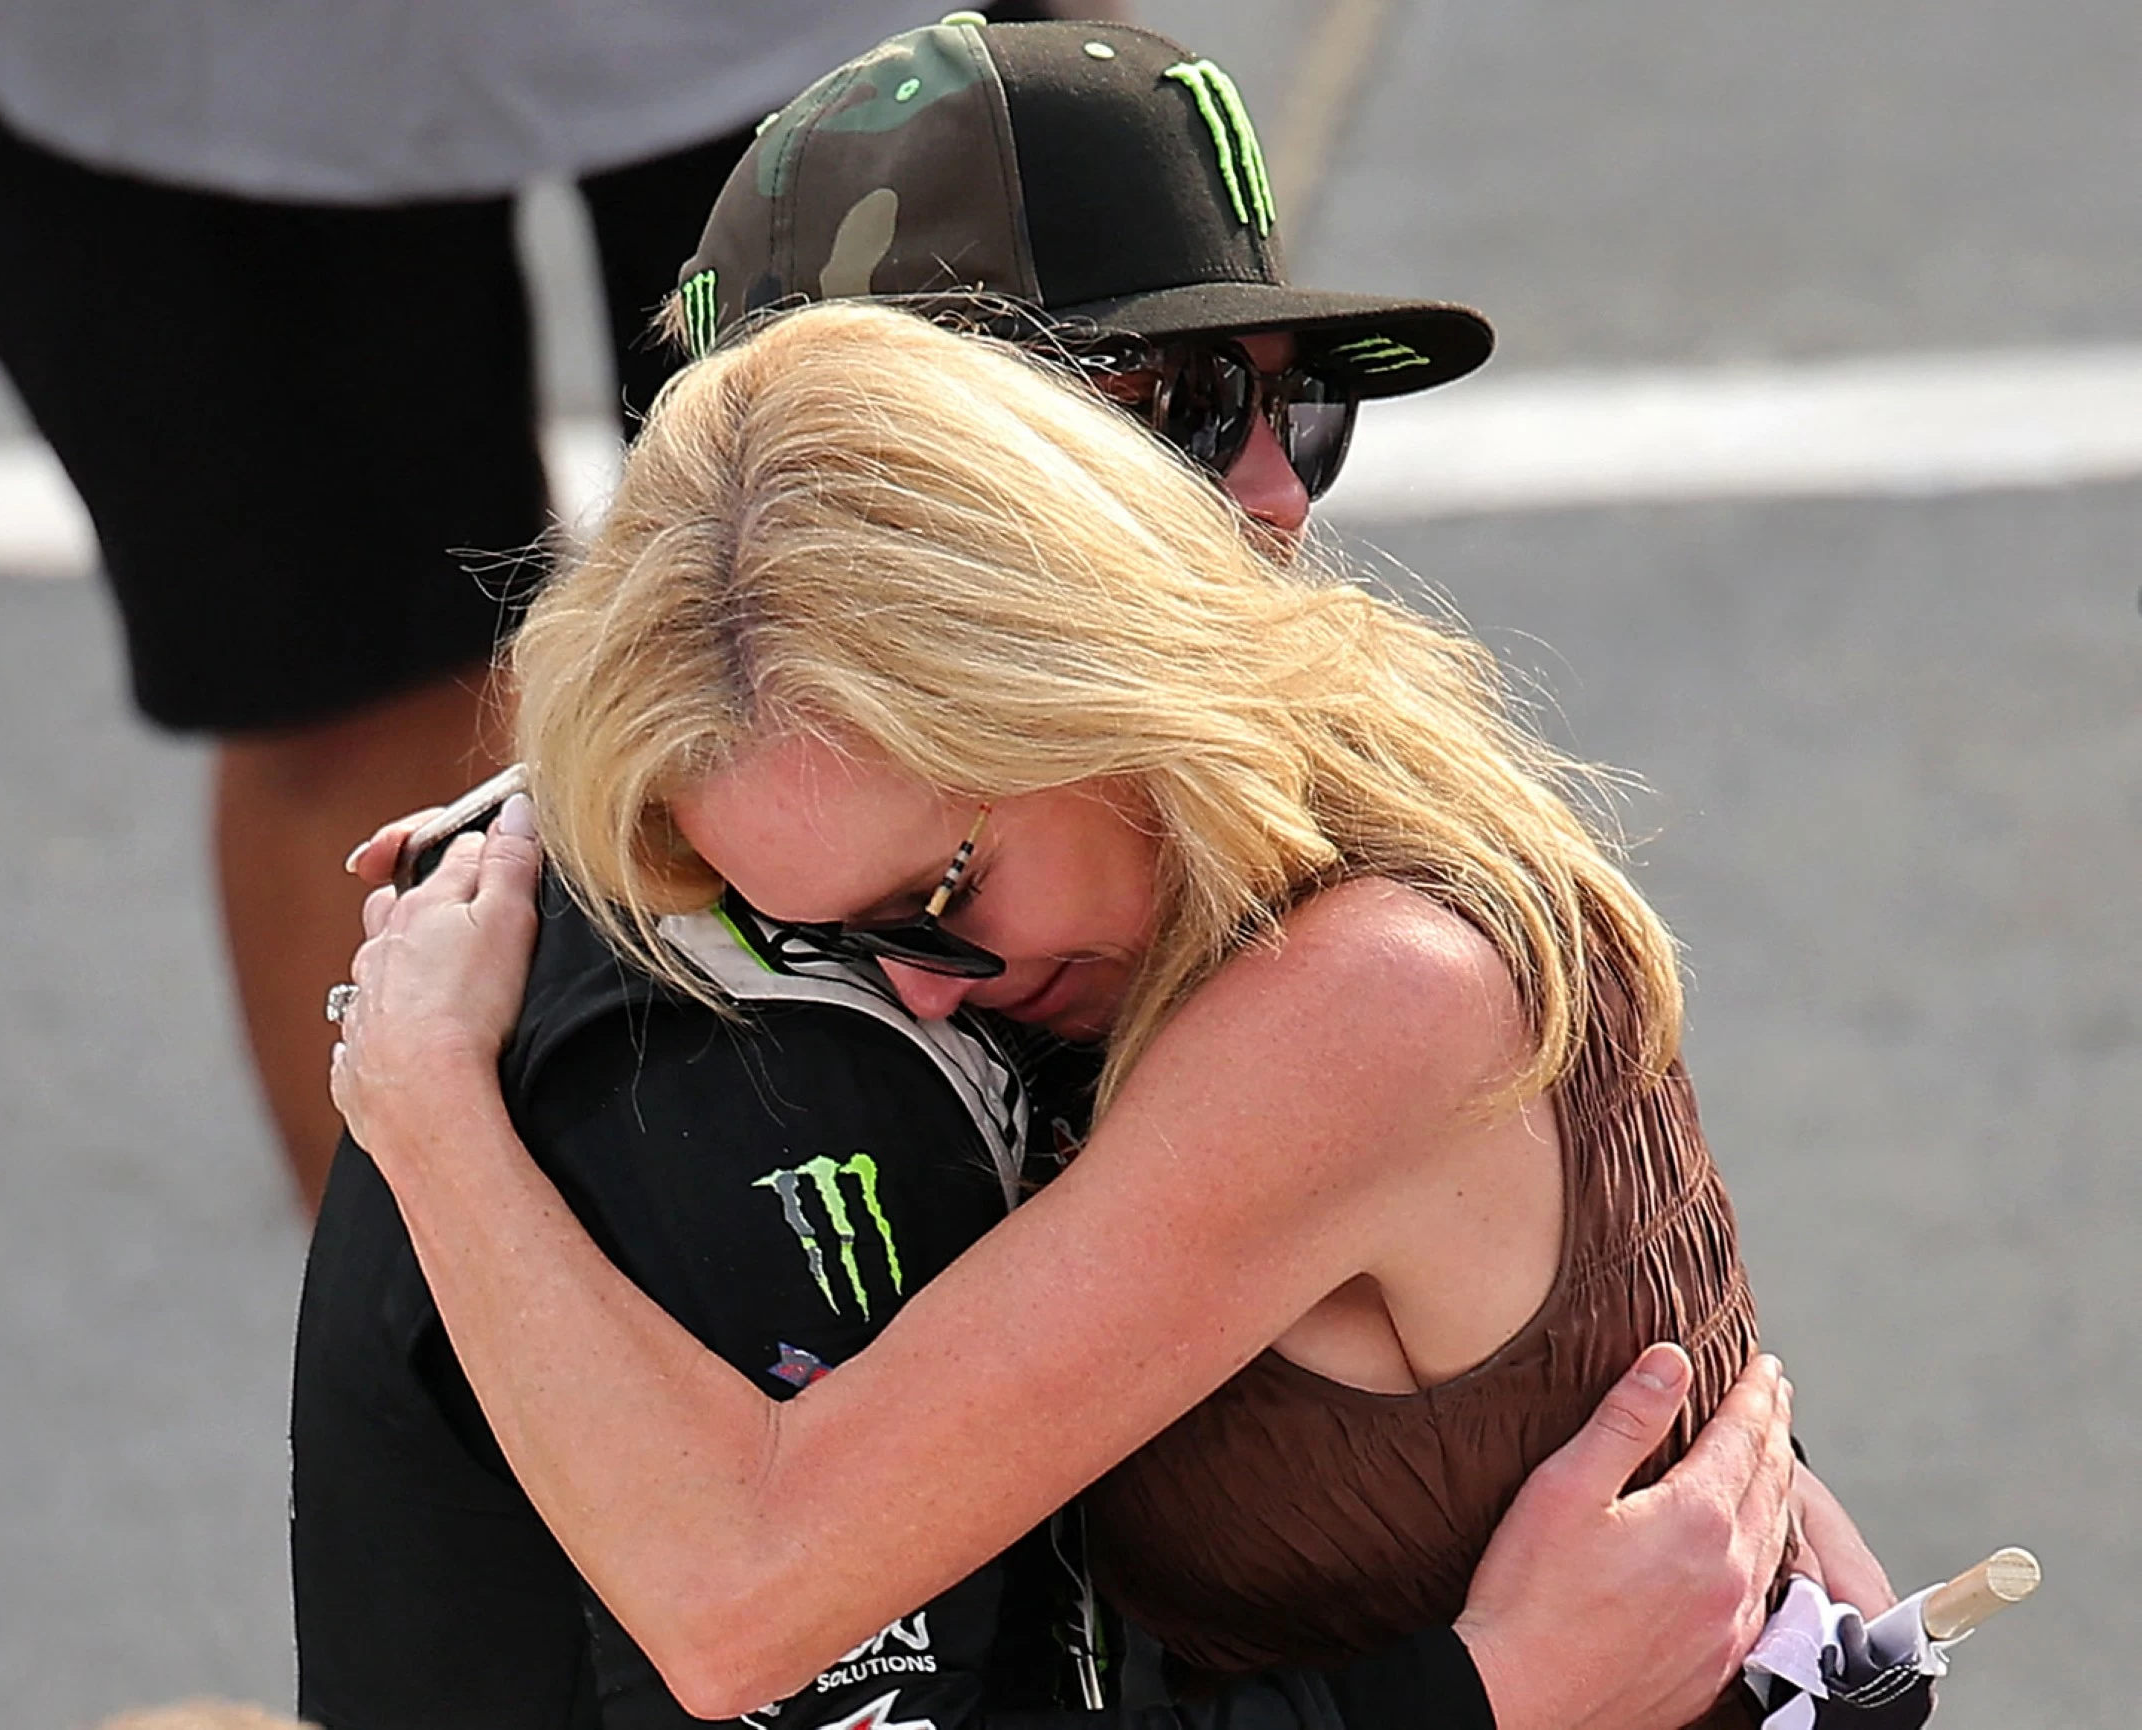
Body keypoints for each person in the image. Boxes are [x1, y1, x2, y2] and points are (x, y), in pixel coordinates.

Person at [299, 19, 1887, 1729]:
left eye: (1286, 401)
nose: (1269, 492)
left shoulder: (1356, 988)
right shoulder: (1274, 801)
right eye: (1183, 416)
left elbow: (738, 1594)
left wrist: (427, 1102)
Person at [0, 0, 1054, 1210]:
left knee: (952, 681)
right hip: (200, 70)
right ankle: (456, 1431)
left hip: (795, 42)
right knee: (366, 720)